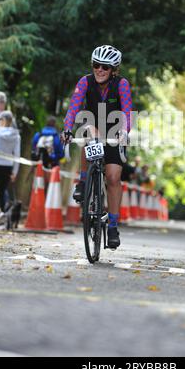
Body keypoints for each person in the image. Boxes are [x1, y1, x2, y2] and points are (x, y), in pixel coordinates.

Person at [61, 45, 132, 249]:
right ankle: (84, 182)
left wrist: (124, 131)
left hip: (115, 131)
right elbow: (74, 105)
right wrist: (67, 128)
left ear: (114, 70)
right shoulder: (85, 81)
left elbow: (127, 111)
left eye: (105, 67)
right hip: (92, 125)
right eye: (96, 65)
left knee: (113, 178)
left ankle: (112, 226)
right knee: (89, 131)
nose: (99, 70)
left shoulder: (122, 84)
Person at [0, 111, 21, 220]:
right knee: (1, 192)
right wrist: (14, 172)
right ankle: (4, 215)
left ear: (4, 120)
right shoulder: (16, 135)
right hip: (8, 167)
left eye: (0, 120)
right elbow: (17, 154)